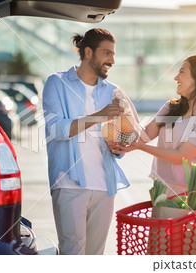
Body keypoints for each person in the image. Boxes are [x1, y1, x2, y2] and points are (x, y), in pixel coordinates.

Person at [42, 28, 129, 255]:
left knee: (94, 257)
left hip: (104, 186)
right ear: (88, 52)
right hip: (69, 184)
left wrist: (120, 147)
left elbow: (118, 137)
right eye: (106, 53)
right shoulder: (57, 83)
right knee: (73, 253)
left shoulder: (113, 91)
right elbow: (55, 128)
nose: (112, 60)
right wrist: (98, 116)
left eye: (113, 54)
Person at [113, 55, 196, 197]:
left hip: (190, 192)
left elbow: (181, 156)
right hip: (161, 186)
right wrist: (125, 113)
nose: (176, 77)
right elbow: (144, 135)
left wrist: (140, 147)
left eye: (182, 72)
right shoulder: (171, 107)